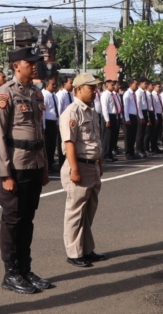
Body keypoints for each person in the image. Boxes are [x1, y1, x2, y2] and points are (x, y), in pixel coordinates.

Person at [0, 46, 51, 294]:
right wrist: (5, 174)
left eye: (35, 61)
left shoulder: (36, 94)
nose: (35, 65)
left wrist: (45, 167)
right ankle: (11, 273)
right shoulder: (5, 94)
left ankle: (25, 269)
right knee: (13, 222)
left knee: (27, 221)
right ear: (17, 65)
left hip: (34, 165)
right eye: (30, 62)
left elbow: (40, 133)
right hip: (16, 167)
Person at [59, 73, 107, 268]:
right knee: (75, 212)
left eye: (95, 88)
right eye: (91, 88)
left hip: (92, 165)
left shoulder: (91, 111)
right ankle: (74, 252)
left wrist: (99, 164)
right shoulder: (72, 112)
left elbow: (95, 141)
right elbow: (69, 143)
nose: (95, 91)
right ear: (79, 89)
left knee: (88, 211)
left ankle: (87, 249)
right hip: (79, 165)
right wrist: (75, 169)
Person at [41, 76, 60, 172]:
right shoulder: (44, 95)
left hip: (53, 122)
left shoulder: (54, 95)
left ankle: (51, 162)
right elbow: (43, 112)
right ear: (47, 84)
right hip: (47, 123)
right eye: (52, 84)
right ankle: (47, 165)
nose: (55, 85)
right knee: (47, 145)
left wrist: (57, 123)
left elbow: (57, 110)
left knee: (53, 144)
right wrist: (43, 126)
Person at [55, 77, 75, 169]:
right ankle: (61, 164)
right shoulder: (60, 95)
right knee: (62, 144)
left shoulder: (70, 95)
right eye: (70, 83)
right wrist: (59, 124)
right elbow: (59, 111)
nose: (72, 84)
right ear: (64, 84)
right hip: (63, 123)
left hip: (70, 123)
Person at [100, 80, 117, 162]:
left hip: (113, 115)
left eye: (114, 85)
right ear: (106, 86)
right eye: (111, 85)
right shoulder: (105, 95)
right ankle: (105, 155)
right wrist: (107, 120)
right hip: (108, 116)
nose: (113, 86)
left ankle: (110, 154)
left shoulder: (112, 95)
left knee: (112, 137)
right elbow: (104, 108)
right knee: (107, 137)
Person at [122, 79, 139, 160]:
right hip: (129, 116)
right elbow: (125, 107)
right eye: (136, 84)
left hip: (134, 116)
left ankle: (132, 152)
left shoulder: (133, 94)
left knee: (133, 136)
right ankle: (128, 153)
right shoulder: (127, 94)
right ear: (131, 84)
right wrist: (127, 118)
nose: (137, 85)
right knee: (128, 136)